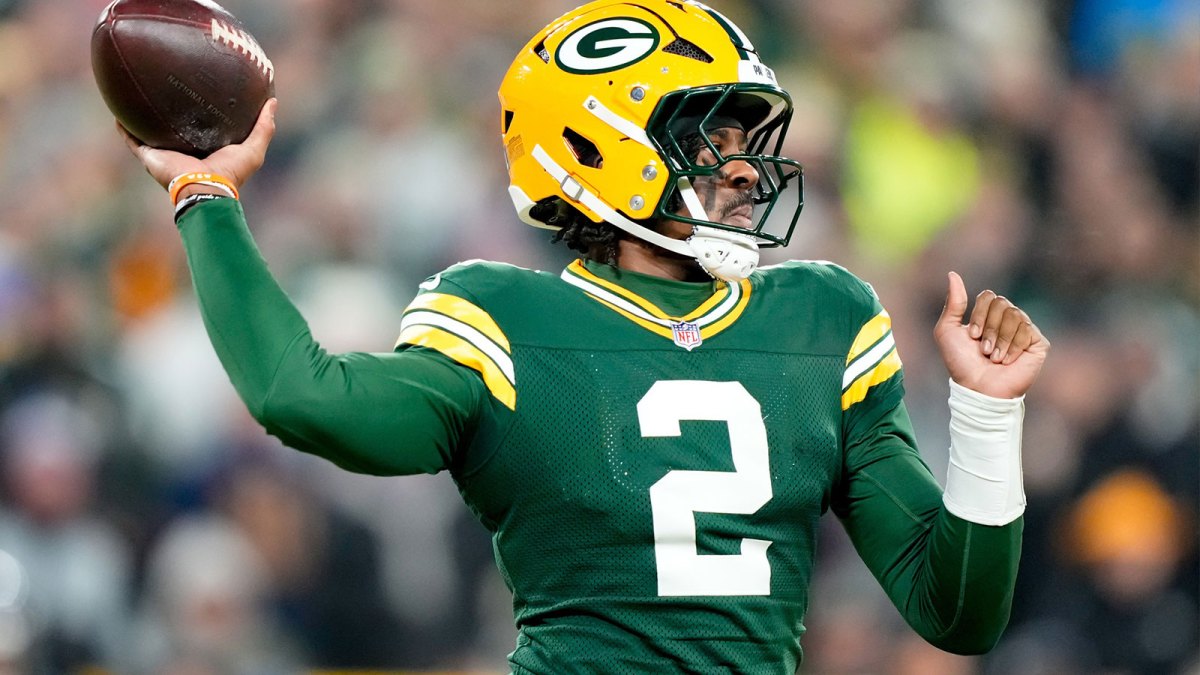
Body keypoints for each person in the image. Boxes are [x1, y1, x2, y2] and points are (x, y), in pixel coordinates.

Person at [120, 1, 1050, 672]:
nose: (746, 170)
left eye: (748, 139)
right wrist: (207, 197)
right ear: (600, 144)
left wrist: (987, 415)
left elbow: (958, 613)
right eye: (710, 138)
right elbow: (303, 396)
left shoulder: (827, 316)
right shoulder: (502, 317)